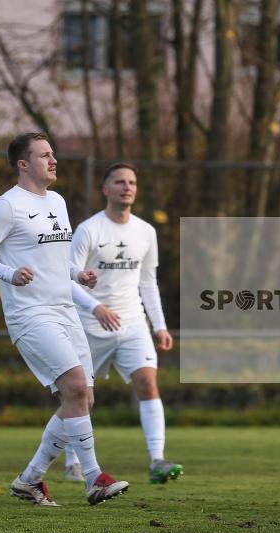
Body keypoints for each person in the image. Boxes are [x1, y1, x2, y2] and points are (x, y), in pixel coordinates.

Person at [0, 132, 129, 506]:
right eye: (44, 156)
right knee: (73, 386)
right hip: (30, 314)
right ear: (24, 164)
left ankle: (30, 480)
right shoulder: (6, 206)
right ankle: (93, 479)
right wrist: (8, 273)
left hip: (65, 310)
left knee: (82, 399)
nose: (53, 161)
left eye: (53, 154)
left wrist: (76, 274)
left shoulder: (56, 201)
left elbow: (53, 261)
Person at [63, 162, 182, 485]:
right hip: (89, 325)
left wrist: (159, 326)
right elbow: (67, 279)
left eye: (132, 181)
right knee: (80, 396)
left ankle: (157, 460)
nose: (127, 187)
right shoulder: (89, 230)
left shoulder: (146, 231)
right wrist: (96, 306)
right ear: (106, 189)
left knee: (147, 382)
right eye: (119, 182)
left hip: (132, 323)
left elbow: (148, 283)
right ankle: (73, 461)